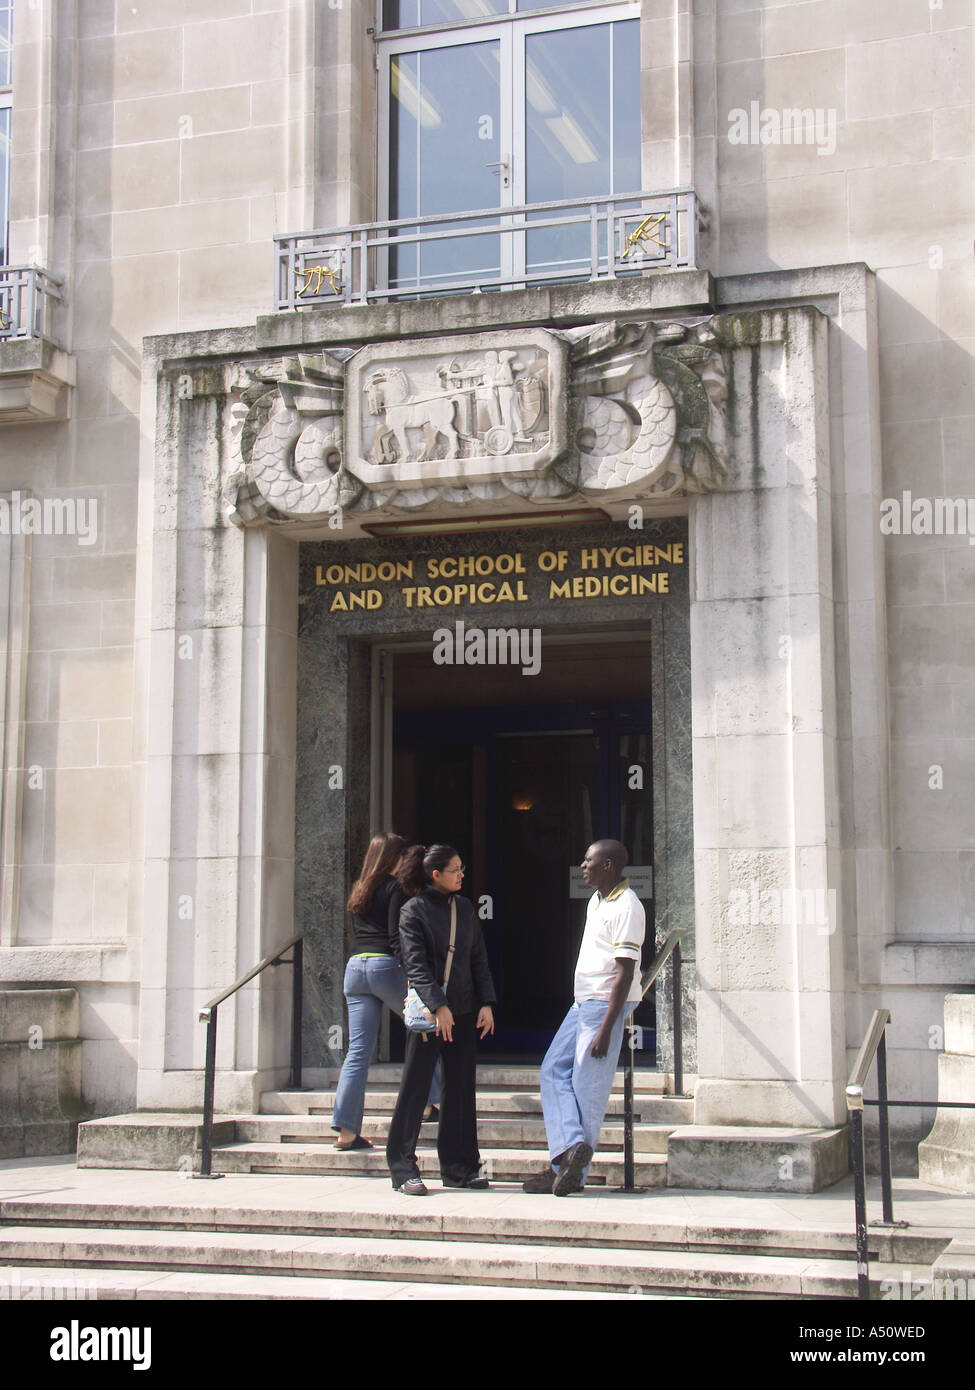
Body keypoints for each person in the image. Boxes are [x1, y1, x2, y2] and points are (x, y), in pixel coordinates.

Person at [523, 839, 645, 1196]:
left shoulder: (627, 906)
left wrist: (608, 1029)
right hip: (582, 1003)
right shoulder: (598, 900)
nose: (583, 866)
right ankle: (569, 1150)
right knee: (552, 1069)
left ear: (608, 866)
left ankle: (568, 1170)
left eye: (589, 861)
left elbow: (625, 972)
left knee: (586, 1090)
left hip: (603, 1007)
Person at [386, 844, 497, 1195]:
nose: (462, 874)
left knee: (461, 1089)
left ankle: (460, 1167)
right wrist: (438, 1006)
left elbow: (478, 956)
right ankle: (403, 1168)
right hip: (431, 1013)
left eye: (462, 867)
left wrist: (487, 1002)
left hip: (464, 1009)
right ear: (435, 874)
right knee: (416, 1088)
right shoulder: (412, 911)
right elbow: (414, 963)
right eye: (455, 869)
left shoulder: (464, 908)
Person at [331, 832, 440, 1149]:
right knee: (426, 1027)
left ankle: (346, 1130)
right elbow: (397, 936)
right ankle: (428, 1101)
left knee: (358, 1052)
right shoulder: (395, 889)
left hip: (355, 969)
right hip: (384, 965)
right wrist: (413, 977)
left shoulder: (360, 888)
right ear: (393, 857)